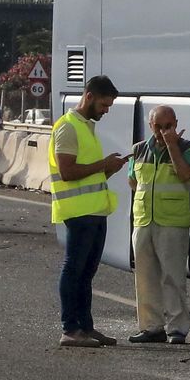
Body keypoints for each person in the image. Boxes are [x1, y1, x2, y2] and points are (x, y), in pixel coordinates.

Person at [50, 75, 127, 349]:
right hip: (79, 212)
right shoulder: (68, 127)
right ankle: (70, 329)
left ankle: (85, 327)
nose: (106, 111)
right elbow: (68, 172)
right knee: (74, 269)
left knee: (86, 272)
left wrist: (109, 168)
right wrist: (102, 164)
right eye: (104, 105)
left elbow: (89, 174)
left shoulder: (86, 127)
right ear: (89, 96)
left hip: (94, 211)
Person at [127, 105, 190, 345]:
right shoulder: (139, 149)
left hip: (172, 221)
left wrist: (172, 146)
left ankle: (177, 328)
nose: (162, 132)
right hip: (143, 220)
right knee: (145, 277)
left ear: (176, 124)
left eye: (168, 126)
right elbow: (132, 181)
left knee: (173, 277)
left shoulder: (188, 148)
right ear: (150, 126)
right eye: (158, 127)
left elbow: (185, 174)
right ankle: (151, 327)